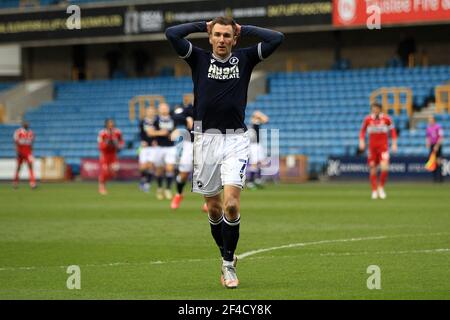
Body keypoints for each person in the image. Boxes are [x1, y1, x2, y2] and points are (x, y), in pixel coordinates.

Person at [166, 16, 284, 288]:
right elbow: (171, 33)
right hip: (205, 140)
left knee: (231, 205)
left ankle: (228, 265)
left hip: (235, 139)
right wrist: (200, 25)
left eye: (227, 36)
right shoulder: (198, 58)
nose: (221, 40)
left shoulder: (245, 58)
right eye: (217, 35)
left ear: (234, 38)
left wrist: (245, 29)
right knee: (214, 208)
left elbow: (277, 38)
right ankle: (225, 255)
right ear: (211, 37)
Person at [359, 103, 398, 200]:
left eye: (376, 109)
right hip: (372, 148)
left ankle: (381, 187)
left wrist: (394, 143)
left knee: (384, 168)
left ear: (380, 109)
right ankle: (374, 190)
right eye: (373, 109)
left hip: (383, 147)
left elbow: (393, 131)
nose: (375, 110)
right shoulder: (368, 119)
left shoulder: (386, 119)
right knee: (372, 168)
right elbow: (362, 131)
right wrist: (361, 141)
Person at [148, 102, 176, 200]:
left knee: (170, 168)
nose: (164, 109)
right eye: (162, 108)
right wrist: (160, 132)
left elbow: (177, 130)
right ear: (159, 110)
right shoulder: (156, 120)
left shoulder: (173, 118)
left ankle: (168, 189)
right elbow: (150, 132)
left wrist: (175, 134)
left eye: (166, 107)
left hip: (171, 147)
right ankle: (160, 188)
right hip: (159, 147)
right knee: (159, 170)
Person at [170, 101, 194, 209]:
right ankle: (179, 194)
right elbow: (175, 115)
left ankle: (209, 202)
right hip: (190, 144)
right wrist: (186, 118)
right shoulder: (189, 108)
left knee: (207, 175)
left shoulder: (212, 103)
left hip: (207, 143)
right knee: (183, 174)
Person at [97, 119, 124, 195]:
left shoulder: (117, 132)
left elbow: (121, 141)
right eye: (109, 123)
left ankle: (103, 181)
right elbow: (100, 145)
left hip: (113, 155)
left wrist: (119, 146)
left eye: (112, 123)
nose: (111, 125)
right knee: (104, 171)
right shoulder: (102, 133)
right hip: (105, 155)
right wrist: (106, 144)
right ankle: (102, 187)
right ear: (106, 124)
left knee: (114, 170)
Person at [247, 110, 269, 189]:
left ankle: (257, 179)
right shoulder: (254, 123)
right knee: (254, 163)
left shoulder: (253, 123)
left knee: (261, 162)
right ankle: (250, 182)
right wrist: (259, 114)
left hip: (258, 145)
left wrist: (258, 114)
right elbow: (266, 119)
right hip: (254, 146)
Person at [139, 107, 157, 192]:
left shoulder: (156, 122)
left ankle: (147, 184)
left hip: (153, 147)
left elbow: (158, 132)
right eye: (149, 111)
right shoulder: (143, 122)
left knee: (150, 166)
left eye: (152, 111)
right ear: (146, 112)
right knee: (142, 167)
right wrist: (142, 141)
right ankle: (143, 180)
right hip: (145, 147)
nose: (150, 113)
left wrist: (156, 140)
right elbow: (141, 133)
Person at [13, 121, 36, 189]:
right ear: (23, 125)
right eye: (25, 123)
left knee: (30, 167)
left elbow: (31, 144)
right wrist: (17, 152)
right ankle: (15, 183)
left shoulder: (31, 133)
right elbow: (15, 143)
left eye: (27, 123)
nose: (27, 124)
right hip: (20, 153)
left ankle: (32, 183)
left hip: (28, 153)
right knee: (18, 168)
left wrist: (31, 153)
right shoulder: (18, 132)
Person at [426, 115, 444, 182]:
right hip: (432, 145)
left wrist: (437, 145)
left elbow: (441, 137)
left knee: (439, 162)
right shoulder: (428, 128)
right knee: (432, 162)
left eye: (430, 120)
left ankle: (440, 179)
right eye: (429, 120)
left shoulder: (438, 127)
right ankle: (435, 179)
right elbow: (428, 137)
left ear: (434, 120)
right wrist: (427, 143)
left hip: (438, 146)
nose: (429, 121)